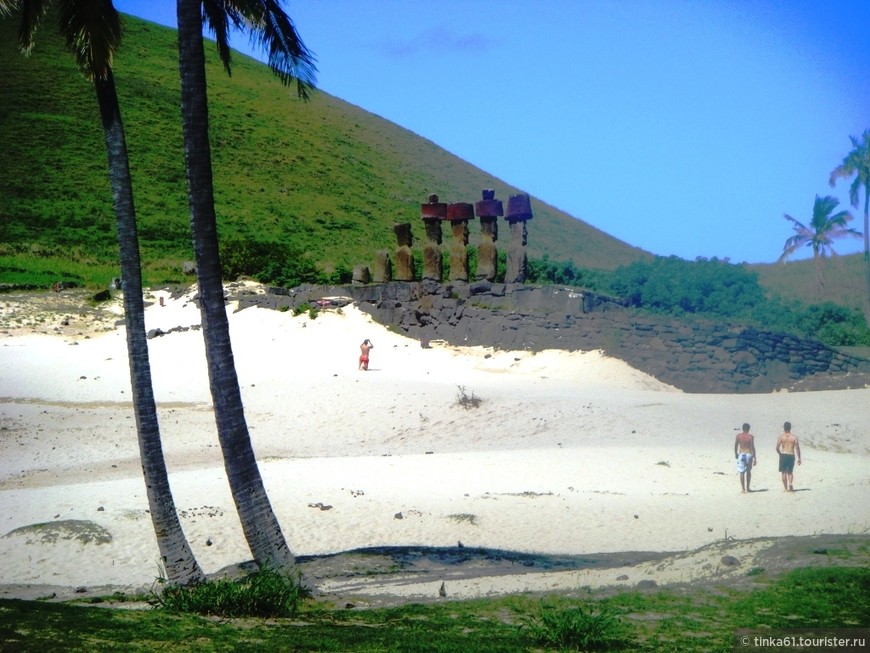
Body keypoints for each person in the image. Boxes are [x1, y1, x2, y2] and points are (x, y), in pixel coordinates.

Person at [775, 421, 802, 492]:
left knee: (783, 472)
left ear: (784, 428)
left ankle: (786, 488)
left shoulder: (781, 437)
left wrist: (780, 454)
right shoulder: (794, 437)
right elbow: (797, 448)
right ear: (790, 428)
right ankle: (790, 483)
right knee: (790, 472)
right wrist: (799, 458)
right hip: (791, 454)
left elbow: (777, 448)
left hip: (783, 454)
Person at [734, 422, 757, 493]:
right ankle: (748, 488)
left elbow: (735, 446)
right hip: (748, 454)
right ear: (748, 429)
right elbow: (752, 448)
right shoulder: (750, 437)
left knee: (741, 472)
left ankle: (743, 489)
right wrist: (755, 458)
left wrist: (736, 454)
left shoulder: (738, 436)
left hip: (741, 454)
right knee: (748, 471)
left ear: (743, 428)